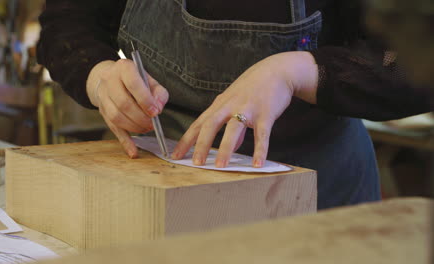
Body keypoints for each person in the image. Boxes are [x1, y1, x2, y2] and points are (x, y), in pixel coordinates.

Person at [36, 0, 431, 210]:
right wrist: (98, 74)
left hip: (315, 193)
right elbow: (66, 26)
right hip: (159, 188)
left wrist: (300, 71)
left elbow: (415, 62)